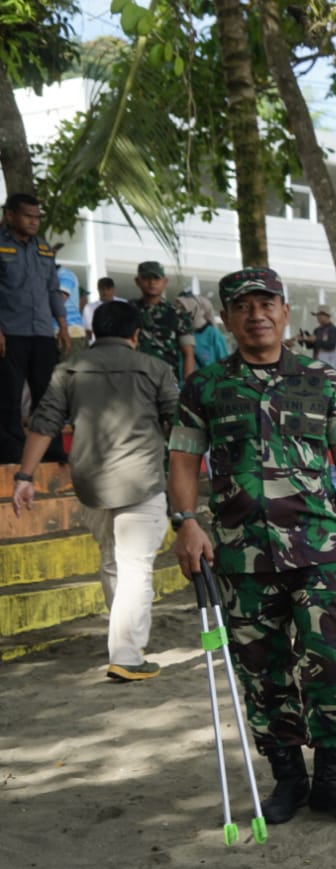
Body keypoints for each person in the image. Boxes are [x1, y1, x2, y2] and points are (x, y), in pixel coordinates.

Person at [167, 267, 336, 825]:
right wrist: (186, 521)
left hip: (319, 549)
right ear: (228, 318)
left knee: (330, 664)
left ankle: (332, 777)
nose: (257, 314)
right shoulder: (204, 387)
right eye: (243, 306)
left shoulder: (323, 381)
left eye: (267, 304)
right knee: (262, 671)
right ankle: (288, 778)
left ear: (285, 312)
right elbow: (183, 460)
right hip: (240, 554)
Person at [11, 301, 178, 681]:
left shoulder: (68, 369)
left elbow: (44, 423)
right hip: (142, 481)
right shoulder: (155, 368)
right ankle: (127, 654)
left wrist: (25, 476)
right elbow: (177, 422)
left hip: (90, 484)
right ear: (136, 334)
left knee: (111, 560)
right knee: (136, 568)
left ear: (93, 333)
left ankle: (123, 645)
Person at [0, 192, 71, 463]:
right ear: (10, 215)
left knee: (48, 395)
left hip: (42, 332)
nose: (33, 222)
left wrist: (62, 327)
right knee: (9, 395)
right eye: (27, 216)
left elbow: (53, 290)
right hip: (10, 333)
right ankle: (9, 451)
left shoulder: (43, 249)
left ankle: (51, 450)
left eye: (37, 217)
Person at [133, 261, 196, 384]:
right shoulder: (127, 311)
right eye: (146, 278)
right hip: (134, 382)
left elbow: (188, 353)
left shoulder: (178, 314)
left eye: (157, 278)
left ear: (165, 282)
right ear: (137, 281)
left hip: (167, 384)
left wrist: (188, 387)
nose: (152, 282)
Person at [176, 292, 230, 369]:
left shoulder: (212, 334)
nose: (180, 313)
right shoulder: (178, 332)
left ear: (195, 310)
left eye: (184, 309)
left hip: (207, 379)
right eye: (179, 309)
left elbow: (224, 363)